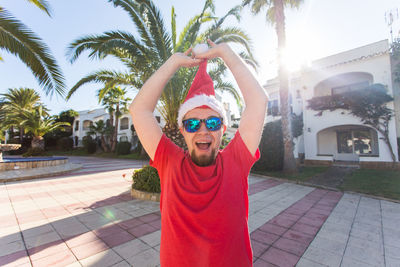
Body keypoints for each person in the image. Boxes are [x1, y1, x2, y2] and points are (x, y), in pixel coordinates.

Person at [129, 39, 268, 267]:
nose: (203, 130)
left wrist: (225, 52)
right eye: (193, 124)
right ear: (182, 130)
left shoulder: (236, 160)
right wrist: (173, 62)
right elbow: (139, 110)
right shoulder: (169, 161)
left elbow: (258, 101)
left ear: (223, 129)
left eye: (212, 123)